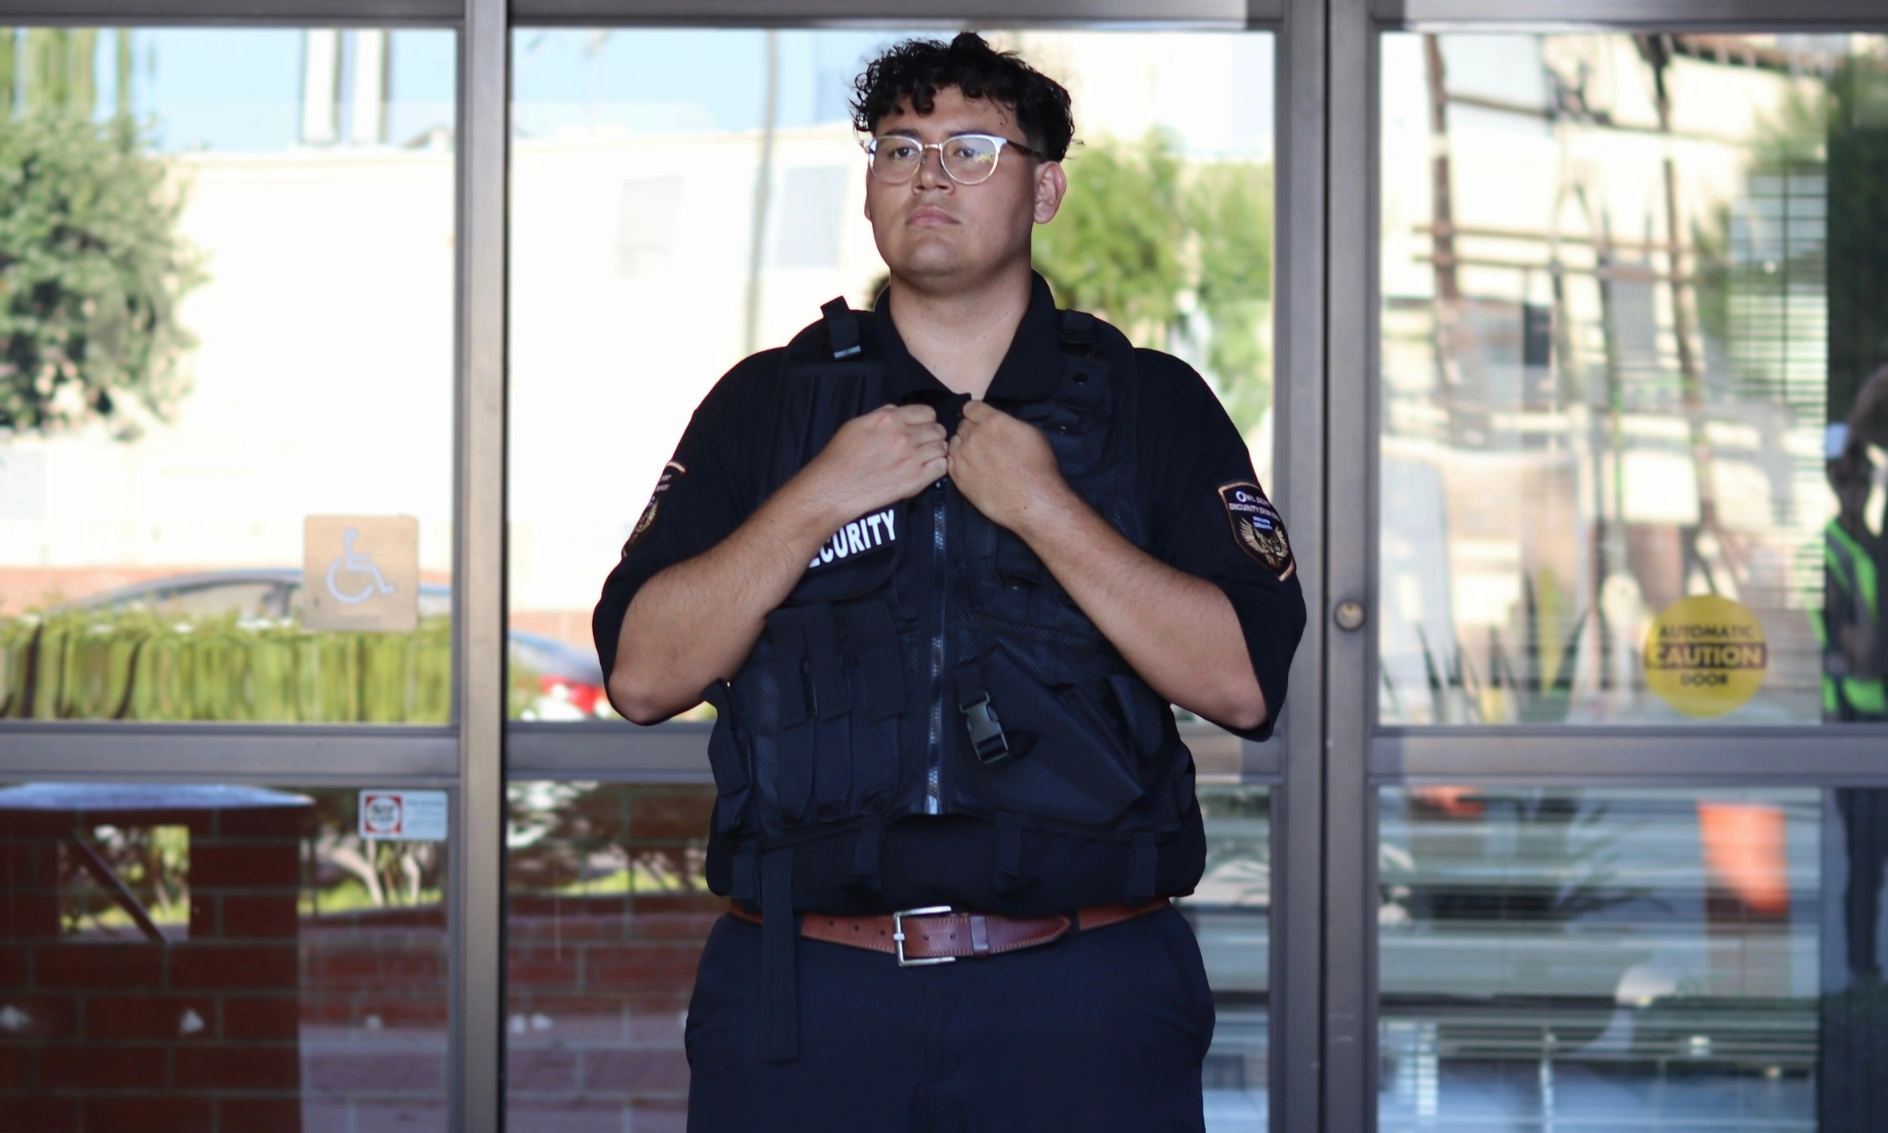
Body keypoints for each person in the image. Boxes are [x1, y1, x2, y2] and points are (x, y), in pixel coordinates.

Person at [594, 33, 1305, 1131]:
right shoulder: (767, 406)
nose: (929, 176)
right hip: (807, 996)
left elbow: (1244, 684)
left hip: (1083, 995)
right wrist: (818, 497)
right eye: (900, 149)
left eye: (971, 150)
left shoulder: (1147, 405)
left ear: (1045, 190)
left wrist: (1044, 508)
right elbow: (643, 673)